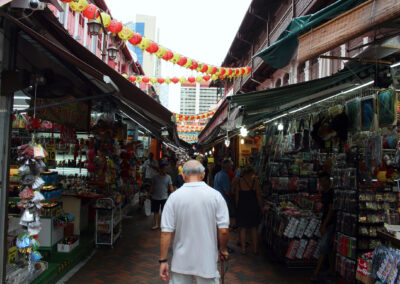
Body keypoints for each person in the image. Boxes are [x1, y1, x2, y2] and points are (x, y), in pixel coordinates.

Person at [160, 160, 229, 283]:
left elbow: (166, 232)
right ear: (203, 175)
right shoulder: (216, 196)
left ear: (183, 176)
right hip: (207, 261)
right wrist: (223, 249)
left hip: (180, 262)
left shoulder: (174, 198)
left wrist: (163, 260)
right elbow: (223, 230)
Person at [312, 172, 336, 282]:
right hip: (326, 221)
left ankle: (316, 273)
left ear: (328, 181)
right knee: (329, 247)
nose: (321, 183)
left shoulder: (331, 193)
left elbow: (331, 210)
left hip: (329, 223)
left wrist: (324, 225)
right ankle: (332, 269)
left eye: (323, 181)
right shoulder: (324, 192)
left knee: (323, 246)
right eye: (320, 181)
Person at [234, 165, 263, 254]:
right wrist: (261, 206)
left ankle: (243, 249)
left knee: (243, 228)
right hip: (253, 206)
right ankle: (255, 249)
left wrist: (237, 207)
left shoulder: (239, 181)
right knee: (254, 228)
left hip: (242, 206)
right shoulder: (255, 181)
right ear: (251, 173)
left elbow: (237, 196)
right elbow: (258, 195)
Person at [149, 164, 174, 230]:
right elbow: (152, 186)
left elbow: (170, 186)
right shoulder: (155, 177)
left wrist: (173, 194)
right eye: (165, 169)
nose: (166, 170)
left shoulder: (168, 177)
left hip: (164, 197)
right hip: (155, 197)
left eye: (167, 169)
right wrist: (149, 194)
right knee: (156, 211)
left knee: (164, 212)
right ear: (160, 169)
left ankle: (163, 224)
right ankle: (156, 224)